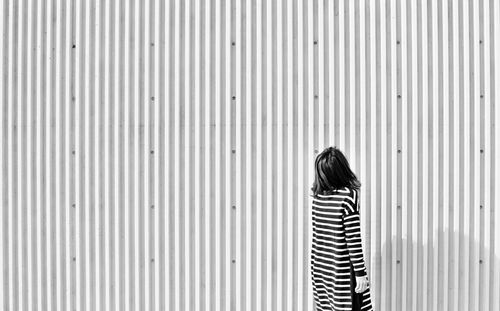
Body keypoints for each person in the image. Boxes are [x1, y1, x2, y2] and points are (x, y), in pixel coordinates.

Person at [310, 146, 373, 311]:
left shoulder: (318, 198)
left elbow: (318, 237)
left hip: (320, 268)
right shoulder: (348, 196)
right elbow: (353, 238)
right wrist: (360, 273)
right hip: (341, 271)